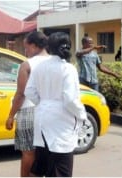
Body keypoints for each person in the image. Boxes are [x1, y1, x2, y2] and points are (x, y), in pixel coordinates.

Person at [25, 32, 87, 177]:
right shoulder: (68, 69)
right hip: (61, 122)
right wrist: (82, 114)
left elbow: (29, 91)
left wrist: (44, 103)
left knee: (40, 164)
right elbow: (70, 99)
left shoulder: (40, 66)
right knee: (60, 168)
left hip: (41, 118)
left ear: (49, 47)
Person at [5, 31, 50, 177]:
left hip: (29, 112)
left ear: (35, 45)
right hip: (49, 113)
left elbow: (20, 94)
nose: (26, 51)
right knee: (45, 152)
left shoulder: (27, 65)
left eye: (27, 47)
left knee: (28, 153)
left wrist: (11, 115)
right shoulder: (55, 62)